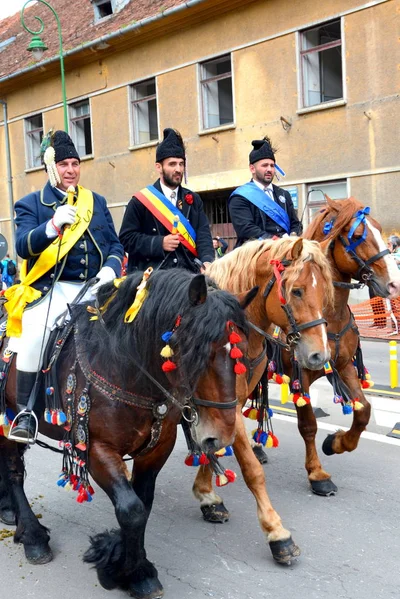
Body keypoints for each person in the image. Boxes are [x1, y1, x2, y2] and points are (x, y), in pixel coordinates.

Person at [5, 130, 124, 443]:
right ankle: (26, 413)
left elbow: (114, 243)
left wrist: (111, 269)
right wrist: (52, 226)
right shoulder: (31, 204)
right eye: (64, 164)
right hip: (52, 289)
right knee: (33, 335)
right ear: (50, 168)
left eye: (75, 163)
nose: (71, 169)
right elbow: (23, 246)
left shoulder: (95, 202)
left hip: (96, 286)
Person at [119, 128, 214, 273]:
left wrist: (207, 261)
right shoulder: (140, 201)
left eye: (181, 164)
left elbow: (203, 235)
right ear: (159, 167)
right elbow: (126, 239)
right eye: (172, 164)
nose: (178, 169)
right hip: (154, 276)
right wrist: (159, 243)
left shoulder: (194, 200)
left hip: (188, 274)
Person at [229, 136, 302, 246]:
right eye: (264, 165)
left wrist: (293, 235)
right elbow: (246, 228)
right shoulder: (240, 196)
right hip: (255, 252)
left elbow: (295, 223)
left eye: (272, 166)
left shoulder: (284, 194)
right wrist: (275, 241)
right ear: (252, 168)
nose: (269, 169)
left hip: (286, 248)